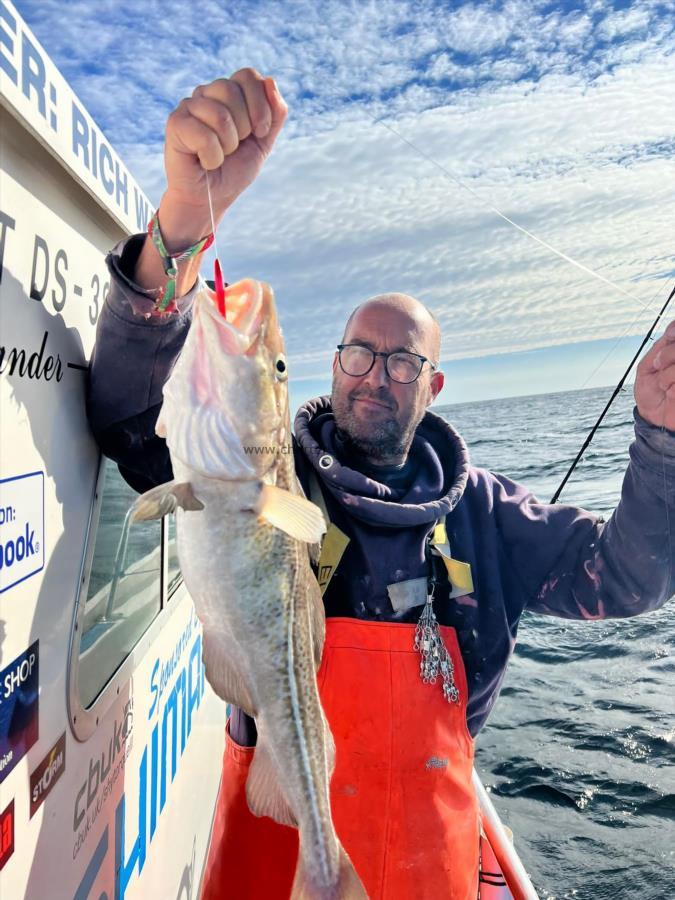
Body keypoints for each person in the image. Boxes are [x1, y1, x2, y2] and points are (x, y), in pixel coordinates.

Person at [86, 69, 675, 900]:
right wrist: (182, 220)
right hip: (271, 838)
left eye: (403, 360)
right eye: (359, 353)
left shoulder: (485, 514)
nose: (375, 375)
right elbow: (126, 415)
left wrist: (660, 441)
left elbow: (627, 578)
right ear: (333, 366)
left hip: (429, 864)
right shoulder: (265, 473)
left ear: (431, 385)